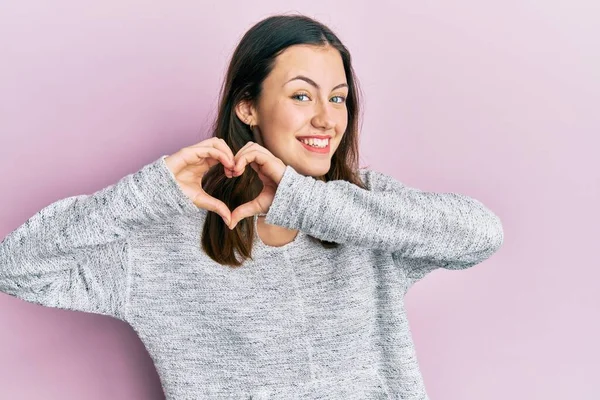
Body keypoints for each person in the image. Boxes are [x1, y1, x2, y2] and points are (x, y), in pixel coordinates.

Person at [0, 13, 504, 399]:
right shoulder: (166, 240)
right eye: (302, 96)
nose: (328, 119)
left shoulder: (362, 211)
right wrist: (145, 193)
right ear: (247, 107)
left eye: (340, 98)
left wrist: (305, 203)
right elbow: (17, 268)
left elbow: (480, 235)